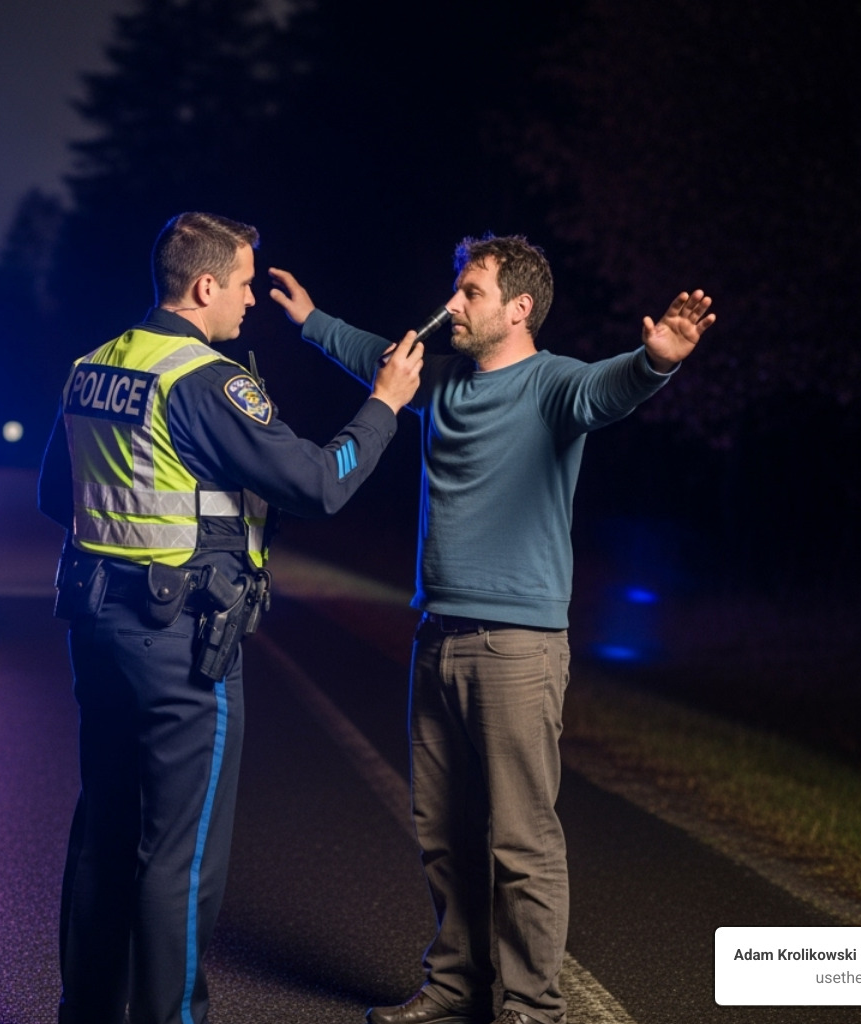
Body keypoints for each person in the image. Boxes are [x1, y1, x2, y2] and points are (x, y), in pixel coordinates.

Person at [269, 235, 714, 1024]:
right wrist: (312, 321)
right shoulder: (442, 378)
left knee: (520, 842)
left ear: (518, 308)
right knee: (441, 831)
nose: (452, 305)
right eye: (456, 288)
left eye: (470, 292)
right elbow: (380, 353)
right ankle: (455, 987)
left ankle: (532, 1009)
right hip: (436, 634)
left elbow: (612, 390)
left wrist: (657, 361)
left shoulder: (554, 386)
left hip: (516, 647)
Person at [38, 211, 424, 1024]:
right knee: (179, 854)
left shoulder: (95, 365)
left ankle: (88, 1011)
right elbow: (320, 483)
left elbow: (55, 495)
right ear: (205, 284)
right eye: (245, 284)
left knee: (105, 832)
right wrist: (384, 404)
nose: (250, 301)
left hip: (97, 631)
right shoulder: (208, 380)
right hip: (181, 646)